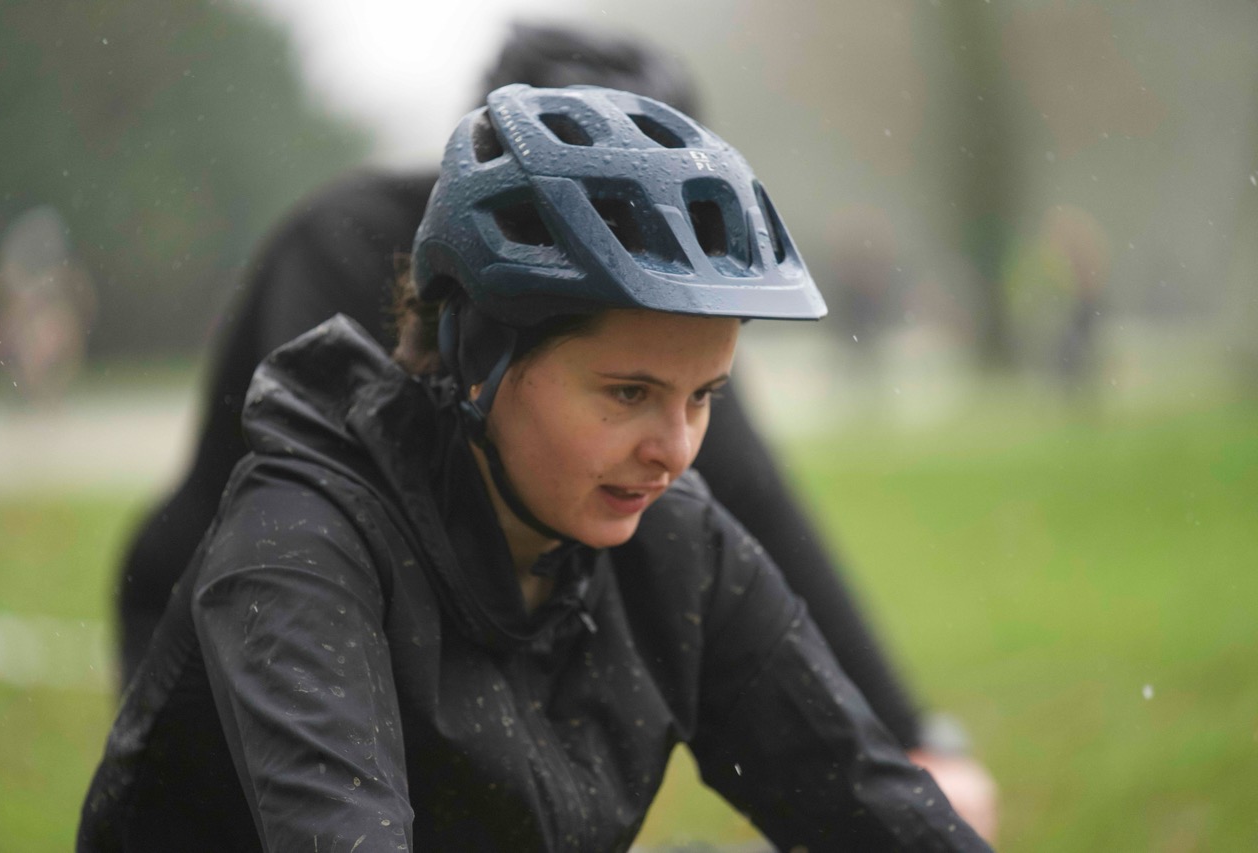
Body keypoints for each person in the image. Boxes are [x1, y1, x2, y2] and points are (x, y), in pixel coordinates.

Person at [112, 22, 996, 837]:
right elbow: (321, 477)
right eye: (628, 392)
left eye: (703, 396)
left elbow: (864, 791)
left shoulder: (671, 536)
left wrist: (914, 733)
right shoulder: (303, 538)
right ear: (477, 354)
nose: (676, 450)